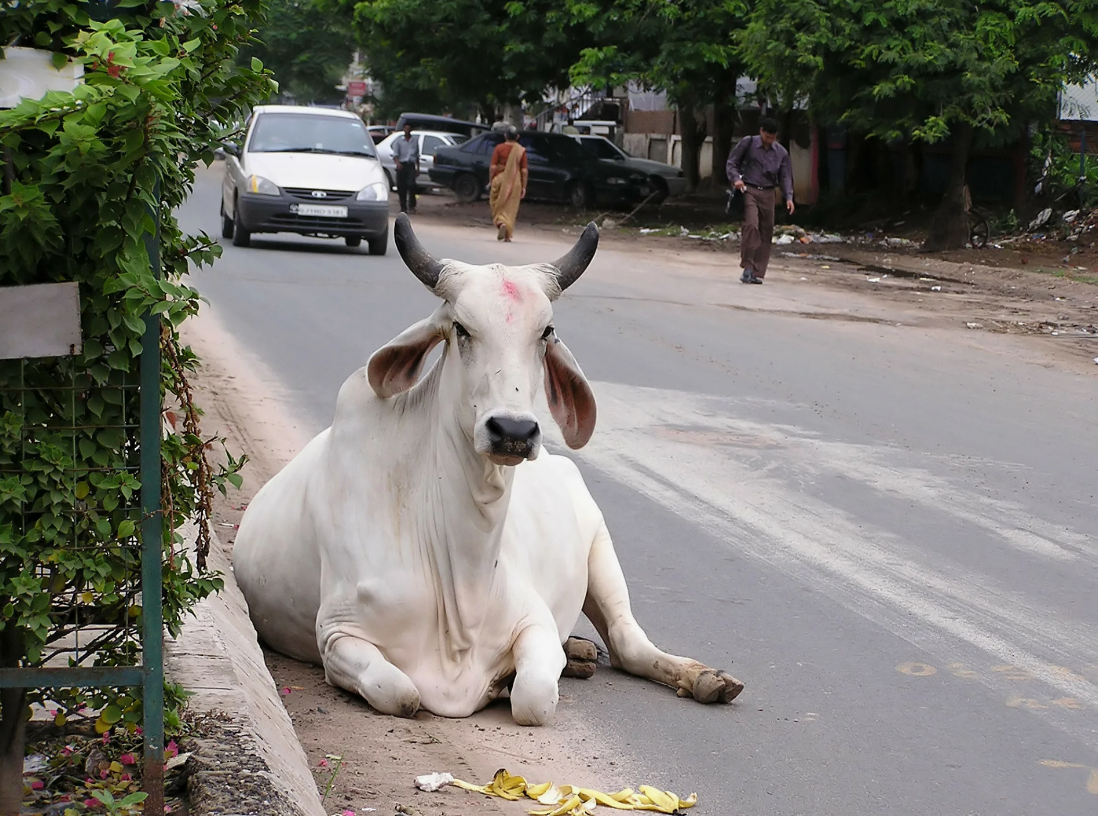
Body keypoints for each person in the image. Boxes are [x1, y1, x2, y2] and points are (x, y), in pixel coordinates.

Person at [726, 117, 795, 284]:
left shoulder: (781, 153)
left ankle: (757, 272)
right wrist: (736, 179)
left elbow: (785, 176)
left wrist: (789, 197)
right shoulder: (748, 143)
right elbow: (732, 162)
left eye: (773, 138)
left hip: (769, 193)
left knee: (766, 230)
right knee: (751, 225)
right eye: (767, 137)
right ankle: (747, 267)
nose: (770, 141)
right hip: (749, 189)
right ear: (761, 131)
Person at [489, 126, 528, 242]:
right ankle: (507, 234)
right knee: (511, 207)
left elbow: (493, 167)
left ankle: (501, 223)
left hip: (499, 179)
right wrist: (524, 186)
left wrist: (491, 180)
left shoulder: (499, 148)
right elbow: (524, 171)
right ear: (518, 137)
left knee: (496, 203)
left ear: (505, 136)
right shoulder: (521, 150)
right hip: (515, 181)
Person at [392, 123, 420, 214]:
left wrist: (418, 168)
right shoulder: (399, 141)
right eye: (406, 128)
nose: (407, 130)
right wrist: (398, 163)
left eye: (409, 128)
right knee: (401, 187)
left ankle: (412, 205)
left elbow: (417, 155)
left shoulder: (414, 141)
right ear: (403, 129)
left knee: (412, 186)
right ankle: (403, 207)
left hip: (410, 165)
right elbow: (395, 155)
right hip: (402, 165)